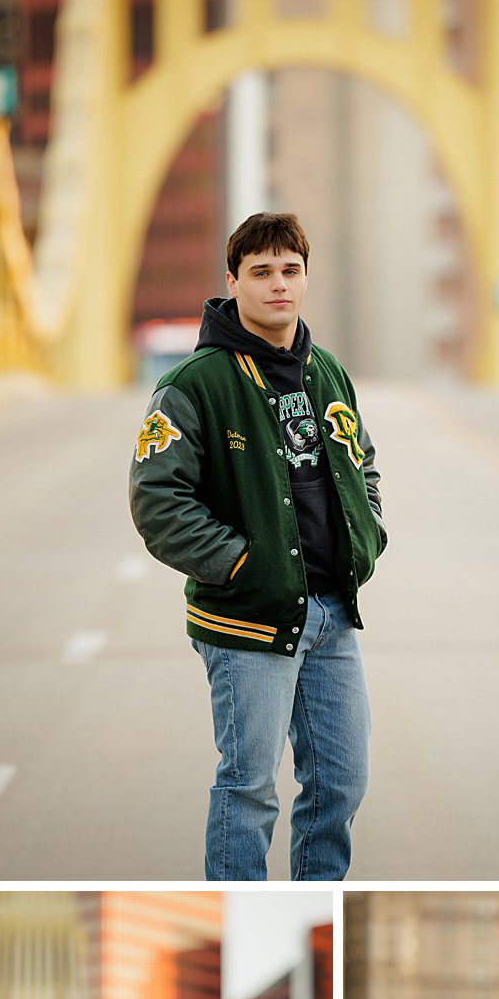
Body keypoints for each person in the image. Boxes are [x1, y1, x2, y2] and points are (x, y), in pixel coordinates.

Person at [130, 211, 386, 881]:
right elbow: (158, 500)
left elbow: (364, 461)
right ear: (233, 282)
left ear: (306, 279)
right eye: (262, 272)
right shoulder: (195, 385)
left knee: (342, 785)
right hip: (245, 619)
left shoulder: (327, 371)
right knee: (249, 790)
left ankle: (315, 893)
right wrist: (244, 564)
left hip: (332, 615)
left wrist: (368, 535)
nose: (278, 285)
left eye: (290, 271)